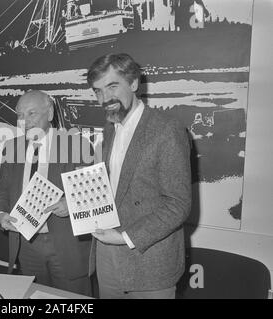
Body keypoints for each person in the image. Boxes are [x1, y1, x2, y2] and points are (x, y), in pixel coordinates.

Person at [86, 53, 192, 299]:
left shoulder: (167, 130)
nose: (105, 98)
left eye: (112, 87)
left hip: (149, 262)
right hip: (106, 255)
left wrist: (125, 237)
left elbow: (178, 204)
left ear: (134, 84)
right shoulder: (110, 129)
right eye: (98, 91)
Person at [0, 90, 93, 296]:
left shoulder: (77, 145)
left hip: (66, 245)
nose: (25, 121)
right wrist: (1, 215)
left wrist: (70, 204)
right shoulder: (11, 148)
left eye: (32, 114)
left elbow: (92, 196)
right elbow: (2, 190)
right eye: (20, 115)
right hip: (26, 244)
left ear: (49, 114)